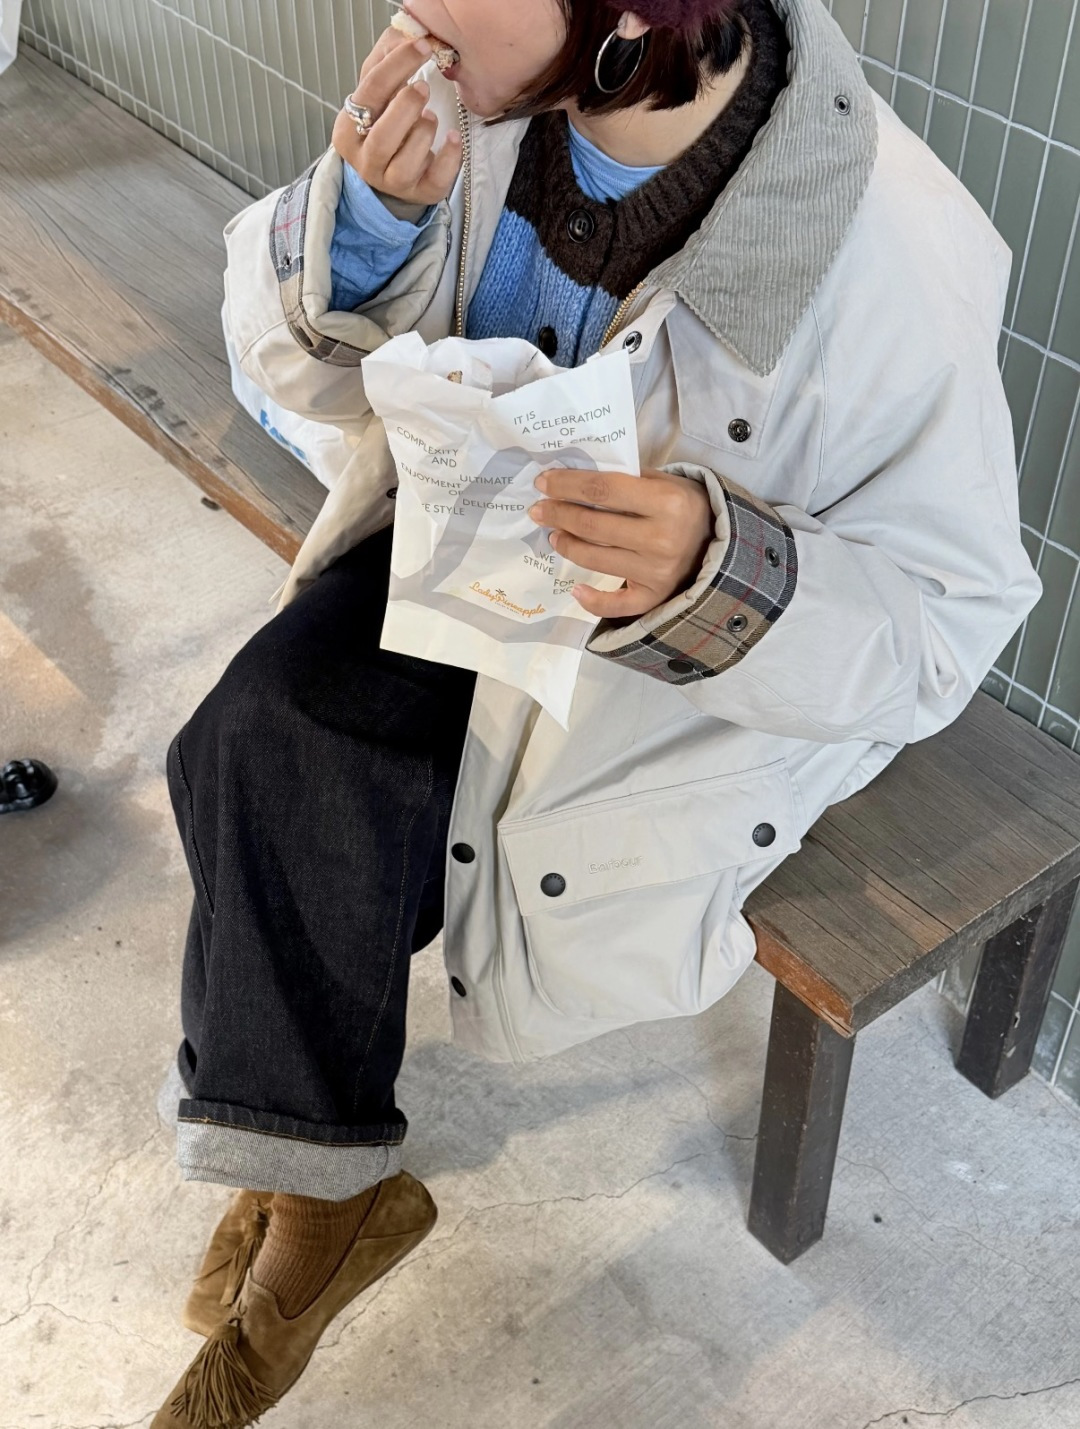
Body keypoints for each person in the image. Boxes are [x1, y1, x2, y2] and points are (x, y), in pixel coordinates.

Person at [154, 0, 1042, 1422]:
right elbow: (302, 374)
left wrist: (715, 570)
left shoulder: (891, 248)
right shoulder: (492, 102)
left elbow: (951, 618)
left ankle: (307, 1186)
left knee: (335, 794)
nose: (407, 9)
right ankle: (323, 1184)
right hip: (465, 558)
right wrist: (368, 224)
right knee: (255, 741)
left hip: (657, 681)